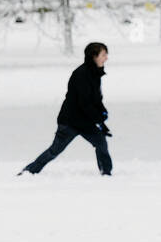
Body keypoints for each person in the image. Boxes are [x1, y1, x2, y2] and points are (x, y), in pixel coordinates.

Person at [19, 42, 113, 176]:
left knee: (101, 143)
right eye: (103, 54)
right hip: (70, 122)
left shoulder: (95, 74)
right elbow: (84, 103)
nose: (106, 58)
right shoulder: (81, 74)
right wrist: (98, 118)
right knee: (55, 150)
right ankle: (29, 171)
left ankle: (106, 173)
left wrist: (102, 119)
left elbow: (96, 100)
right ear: (94, 56)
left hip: (85, 122)